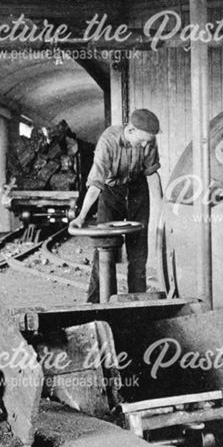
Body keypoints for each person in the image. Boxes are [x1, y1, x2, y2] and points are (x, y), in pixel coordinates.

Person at [70, 109, 163, 302]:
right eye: (143, 140)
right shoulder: (108, 141)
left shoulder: (148, 140)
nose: (146, 144)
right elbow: (96, 184)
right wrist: (81, 217)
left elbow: (152, 175)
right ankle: (97, 301)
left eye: (149, 141)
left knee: (138, 251)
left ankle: (137, 301)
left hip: (137, 189)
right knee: (104, 247)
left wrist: (163, 209)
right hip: (110, 190)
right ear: (130, 130)